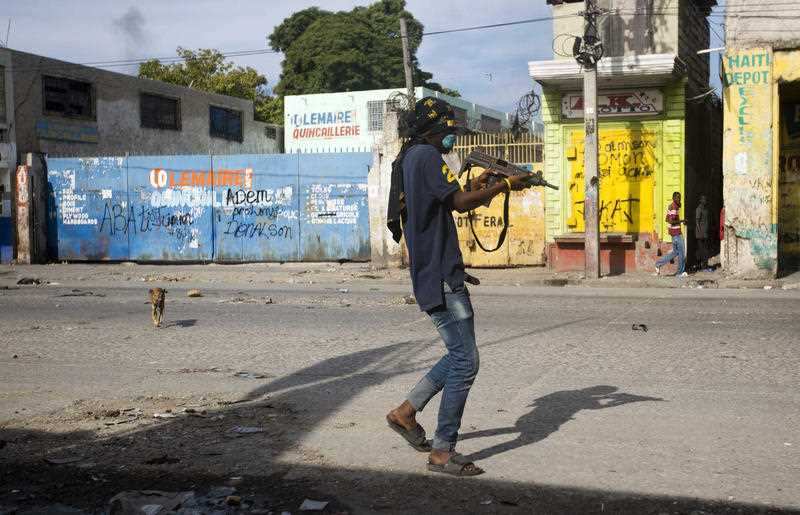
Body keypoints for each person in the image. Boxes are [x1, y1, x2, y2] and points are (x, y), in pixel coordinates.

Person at [384, 97, 532, 476]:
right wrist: (504, 185)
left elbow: (444, 203)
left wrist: (481, 183)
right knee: (466, 361)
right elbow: (462, 203)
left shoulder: (411, 158)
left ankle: (405, 413)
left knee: (458, 355)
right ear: (433, 130)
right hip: (440, 278)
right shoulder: (427, 156)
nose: (452, 136)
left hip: (437, 272)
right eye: (448, 130)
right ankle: (442, 451)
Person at [655, 191, 687, 277]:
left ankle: (658, 264)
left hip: (673, 233)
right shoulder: (674, 207)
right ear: (673, 198)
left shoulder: (671, 206)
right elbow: (671, 221)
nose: (679, 199)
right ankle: (680, 272)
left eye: (679, 197)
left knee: (675, 252)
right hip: (677, 233)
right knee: (682, 253)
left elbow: (667, 219)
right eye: (677, 197)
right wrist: (682, 221)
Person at [695, 195, 713, 272]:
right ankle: (703, 266)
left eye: (705, 199)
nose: (705, 201)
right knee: (702, 250)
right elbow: (697, 221)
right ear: (700, 200)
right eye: (703, 199)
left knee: (705, 250)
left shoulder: (705, 209)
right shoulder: (699, 209)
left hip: (705, 232)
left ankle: (705, 265)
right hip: (701, 234)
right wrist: (700, 232)